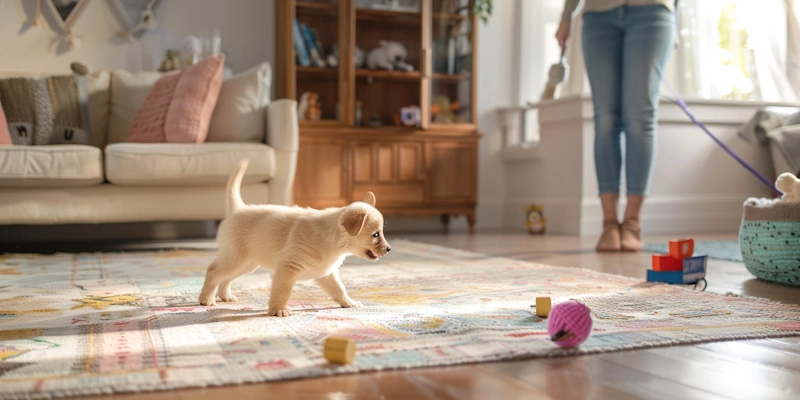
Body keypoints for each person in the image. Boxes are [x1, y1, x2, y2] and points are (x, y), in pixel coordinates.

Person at [556, 0, 676, 252]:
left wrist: (676, 16)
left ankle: (632, 222)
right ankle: (609, 222)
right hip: (598, 14)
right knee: (606, 117)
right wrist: (566, 16)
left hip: (652, 11)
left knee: (639, 116)